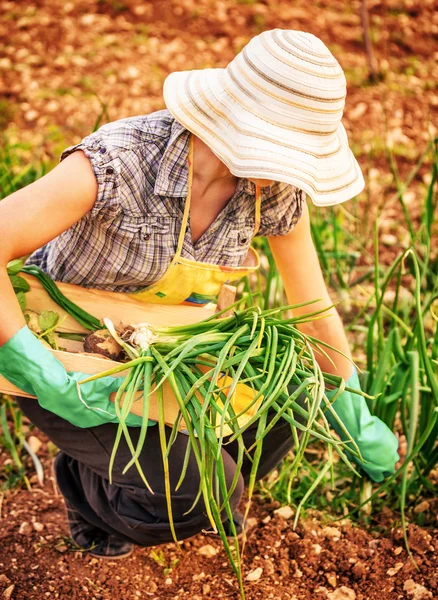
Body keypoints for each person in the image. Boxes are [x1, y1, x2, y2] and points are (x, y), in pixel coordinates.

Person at [0, 29, 399, 559]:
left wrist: (352, 408)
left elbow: (313, 308)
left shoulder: (272, 190)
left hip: (165, 353)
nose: (285, 171)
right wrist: (39, 370)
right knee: (197, 495)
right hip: (66, 355)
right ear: (234, 123)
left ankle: (161, 480)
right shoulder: (120, 164)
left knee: (297, 397)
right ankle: (91, 494)